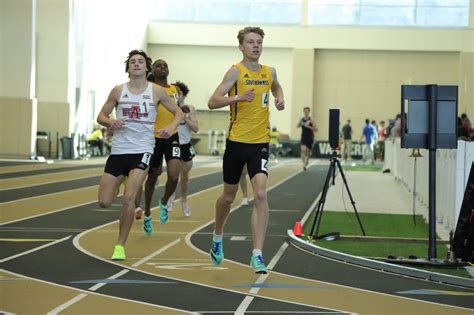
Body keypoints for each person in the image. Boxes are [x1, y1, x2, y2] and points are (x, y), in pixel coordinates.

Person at [207, 26, 285, 274]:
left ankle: (257, 254)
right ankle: (218, 236)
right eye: (250, 42)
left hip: (260, 143)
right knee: (228, 197)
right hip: (236, 143)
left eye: (259, 42)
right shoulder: (235, 72)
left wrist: (279, 98)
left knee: (260, 195)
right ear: (241, 46)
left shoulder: (269, 72)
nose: (255, 45)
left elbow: (276, 86)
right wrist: (236, 99)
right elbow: (212, 102)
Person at [96, 49, 183, 261]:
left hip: (142, 150)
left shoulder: (157, 92)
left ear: (146, 67)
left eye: (140, 61)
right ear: (128, 68)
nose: (136, 64)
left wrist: (171, 128)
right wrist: (110, 122)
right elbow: (101, 115)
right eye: (132, 61)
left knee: (129, 198)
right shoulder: (118, 91)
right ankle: (122, 181)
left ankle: (119, 246)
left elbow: (179, 113)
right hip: (118, 151)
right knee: (104, 202)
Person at [140, 59, 183, 234]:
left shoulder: (175, 90)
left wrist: (183, 110)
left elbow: (177, 110)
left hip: (171, 135)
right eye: (158, 65)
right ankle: (148, 213)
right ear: (152, 70)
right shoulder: (148, 89)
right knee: (153, 177)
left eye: (165, 65)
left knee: (174, 176)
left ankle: (164, 201)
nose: (162, 68)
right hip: (153, 138)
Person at [165, 81, 199, 217]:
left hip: (185, 144)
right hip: (172, 143)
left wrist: (185, 117)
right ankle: (170, 196)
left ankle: (184, 200)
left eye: (178, 94)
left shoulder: (190, 108)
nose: (175, 96)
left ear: (183, 95)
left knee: (184, 176)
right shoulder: (167, 108)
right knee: (172, 175)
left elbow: (196, 128)